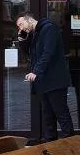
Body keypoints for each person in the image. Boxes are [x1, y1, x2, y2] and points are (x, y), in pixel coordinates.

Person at [16, 12, 74, 141]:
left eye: (21, 24)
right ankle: (50, 143)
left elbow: (48, 53)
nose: (21, 28)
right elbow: (29, 54)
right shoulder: (34, 33)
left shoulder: (49, 29)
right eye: (19, 27)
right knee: (48, 116)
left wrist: (35, 71)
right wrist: (22, 41)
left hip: (55, 80)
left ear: (29, 19)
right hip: (43, 82)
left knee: (61, 113)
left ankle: (71, 142)